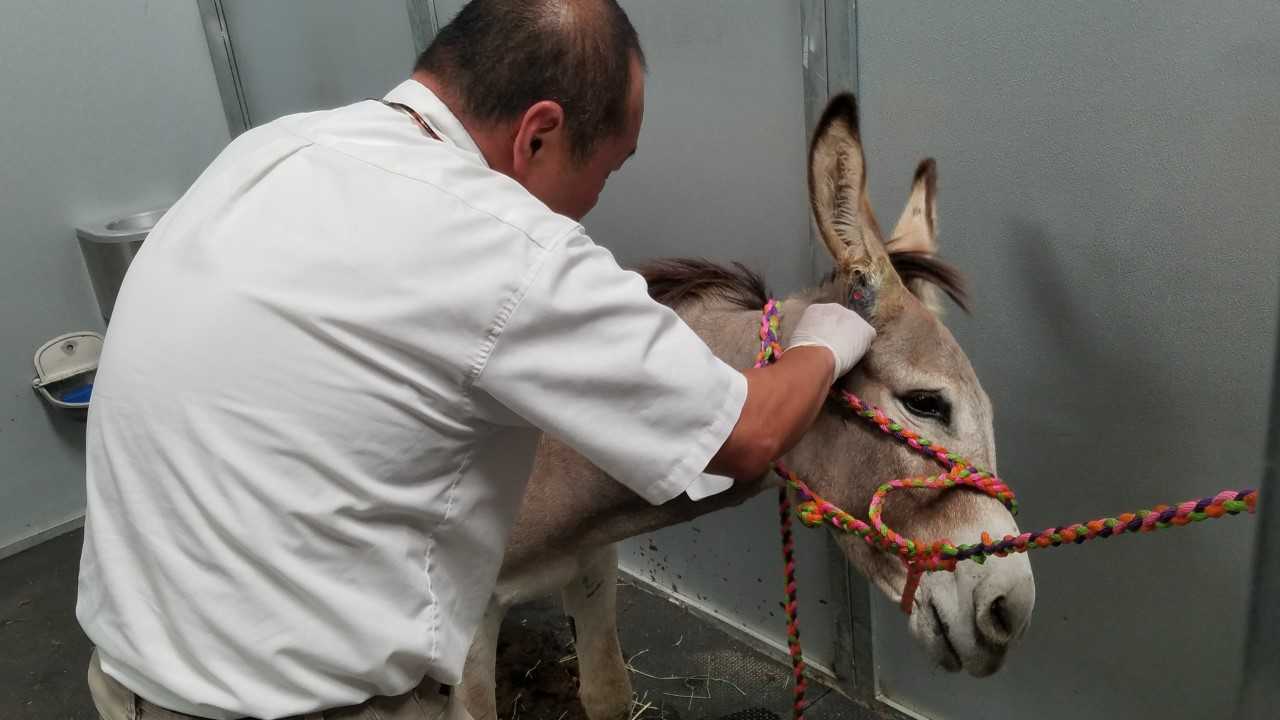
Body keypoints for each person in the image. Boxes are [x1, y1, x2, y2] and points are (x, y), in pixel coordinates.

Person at [77, 1, 876, 719]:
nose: (599, 199)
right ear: (539, 134)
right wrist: (827, 338)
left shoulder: (274, 148)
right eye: (610, 167)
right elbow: (746, 433)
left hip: (129, 678)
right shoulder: (506, 248)